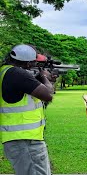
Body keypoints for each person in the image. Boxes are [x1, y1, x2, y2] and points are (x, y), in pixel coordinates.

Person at [0, 44, 56, 175]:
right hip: (26, 141)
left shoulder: (6, 71)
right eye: (34, 61)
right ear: (28, 63)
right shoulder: (17, 73)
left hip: (19, 139)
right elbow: (48, 95)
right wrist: (44, 77)